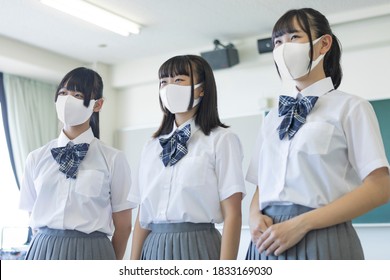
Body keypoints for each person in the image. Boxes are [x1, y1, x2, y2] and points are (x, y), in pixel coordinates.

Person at [246, 8, 390, 260]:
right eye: (277, 42)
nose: (283, 48)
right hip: (267, 242)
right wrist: (254, 215)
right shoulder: (272, 118)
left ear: (324, 44)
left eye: (293, 37)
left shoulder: (351, 107)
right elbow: (261, 185)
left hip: (324, 237)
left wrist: (301, 224)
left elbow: (381, 187)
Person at [128, 55, 246, 260]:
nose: (169, 87)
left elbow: (233, 214)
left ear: (202, 88)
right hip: (153, 247)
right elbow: (142, 217)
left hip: (198, 245)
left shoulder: (221, 140)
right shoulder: (152, 146)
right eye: (164, 82)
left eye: (179, 80)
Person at [19, 67, 135, 260]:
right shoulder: (36, 158)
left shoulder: (113, 158)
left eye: (77, 94)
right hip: (43, 250)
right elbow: (32, 214)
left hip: (93, 251)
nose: (67, 99)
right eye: (63, 93)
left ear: (97, 104)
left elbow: (124, 226)